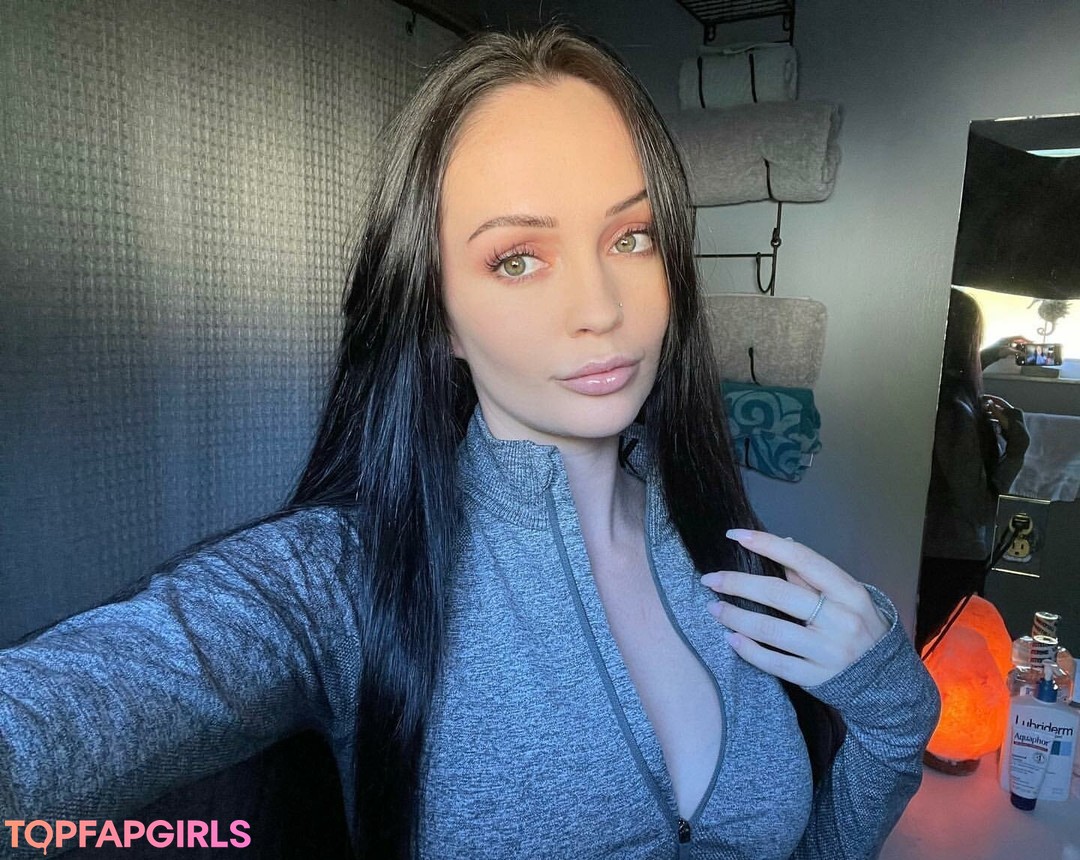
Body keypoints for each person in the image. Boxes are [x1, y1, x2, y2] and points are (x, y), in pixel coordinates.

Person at [0, 25, 938, 860]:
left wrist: (895, 706)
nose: (602, 309)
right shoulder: (339, 579)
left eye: (632, 238)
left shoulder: (725, 550)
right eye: (517, 258)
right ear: (437, 313)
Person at [917, 289, 1030, 648]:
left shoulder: (930, 393)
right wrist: (1017, 449)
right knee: (939, 648)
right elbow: (978, 508)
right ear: (967, 340)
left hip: (928, 548)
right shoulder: (955, 411)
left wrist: (992, 353)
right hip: (952, 555)